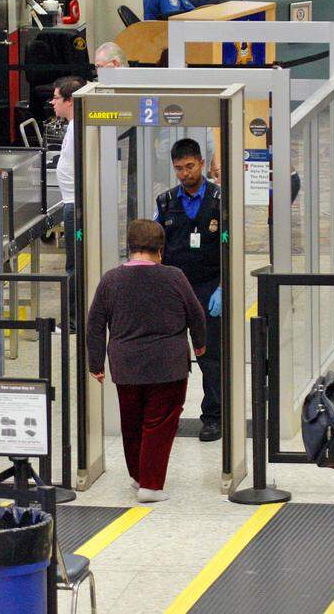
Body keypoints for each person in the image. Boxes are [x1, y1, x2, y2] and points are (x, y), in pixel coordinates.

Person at [87, 219, 207, 503]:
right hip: (168, 364)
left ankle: (138, 476)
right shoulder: (175, 277)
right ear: (160, 250)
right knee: (159, 423)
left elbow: (94, 324)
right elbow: (196, 315)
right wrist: (200, 346)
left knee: (132, 421)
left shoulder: (111, 279)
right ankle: (151, 485)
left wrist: (96, 363)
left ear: (129, 248)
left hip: (126, 365)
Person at [155, 138, 223, 442]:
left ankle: (214, 416)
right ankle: (169, 415)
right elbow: (156, 247)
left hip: (209, 288)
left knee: (211, 355)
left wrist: (223, 287)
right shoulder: (166, 202)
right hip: (173, 289)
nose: (185, 174)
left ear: (202, 164)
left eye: (190, 167)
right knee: (171, 356)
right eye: (179, 169)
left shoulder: (221, 200)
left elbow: (231, 248)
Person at [53, 76, 85, 332]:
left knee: (74, 266)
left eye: (56, 98)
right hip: (72, 203)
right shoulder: (73, 127)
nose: (53, 103)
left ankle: (73, 322)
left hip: (76, 207)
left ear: (69, 101)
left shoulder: (78, 129)